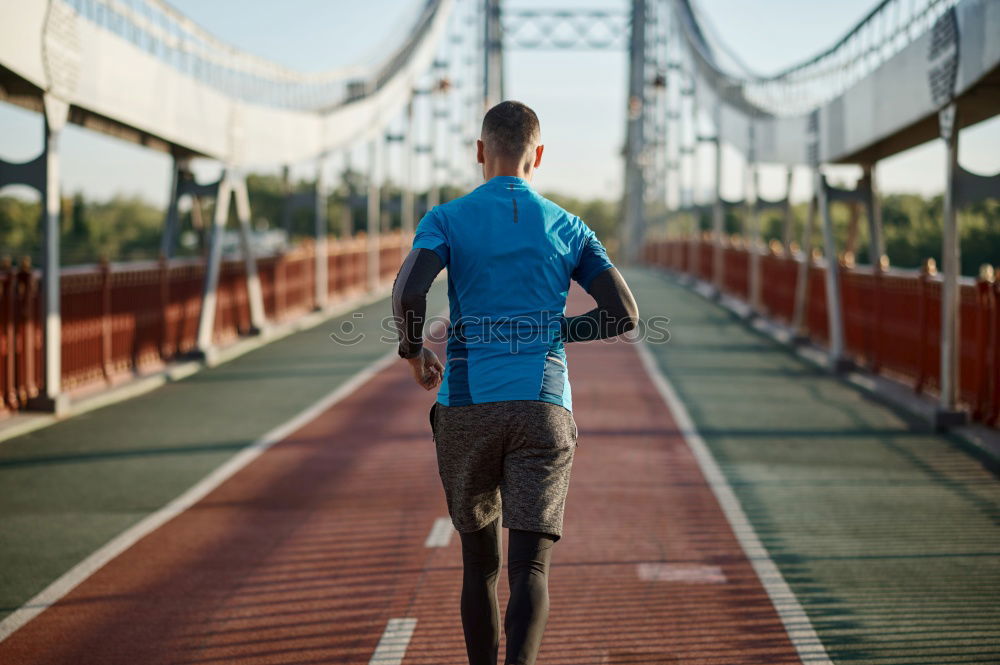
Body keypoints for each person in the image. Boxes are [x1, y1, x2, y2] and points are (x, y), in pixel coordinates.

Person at [391, 100, 638, 665]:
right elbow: (623, 313)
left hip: (468, 406)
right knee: (530, 568)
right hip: (544, 408)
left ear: (481, 152)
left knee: (480, 566)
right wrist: (553, 329)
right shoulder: (569, 226)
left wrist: (413, 352)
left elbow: (409, 293)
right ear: (539, 155)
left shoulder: (446, 218)